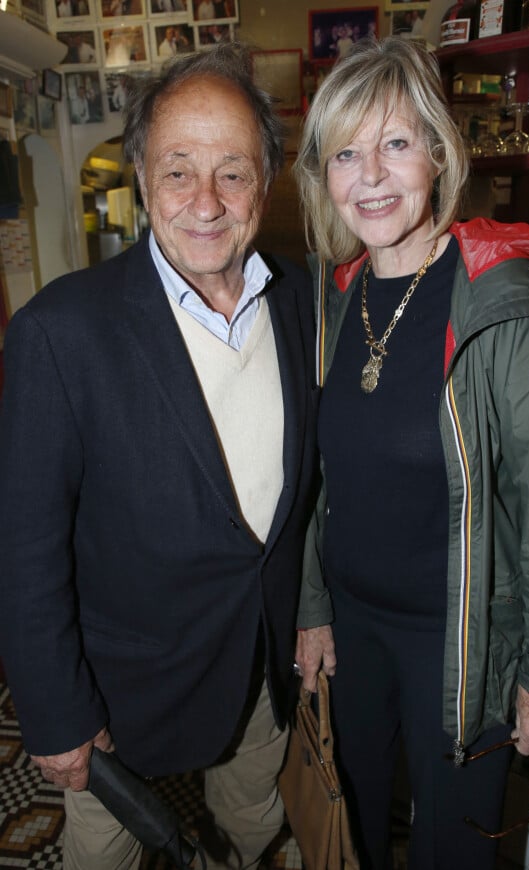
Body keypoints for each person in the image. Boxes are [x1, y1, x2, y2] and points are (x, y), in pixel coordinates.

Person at [0, 44, 319, 870]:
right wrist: (56, 712)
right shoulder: (59, 333)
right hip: (120, 693)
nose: (206, 202)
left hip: (259, 664)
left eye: (233, 172)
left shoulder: (305, 304)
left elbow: (315, 491)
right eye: (178, 170)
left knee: (251, 826)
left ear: (267, 182)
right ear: (142, 176)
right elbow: (25, 550)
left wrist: (310, 611)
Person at [293, 36, 529, 870]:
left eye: (394, 143)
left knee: (451, 850)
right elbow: (322, 481)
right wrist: (314, 605)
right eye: (346, 152)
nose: (371, 176)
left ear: (438, 151)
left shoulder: (504, 309)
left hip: (465, 642)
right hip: (353, 631)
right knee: (352, 829)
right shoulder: (336, 299)